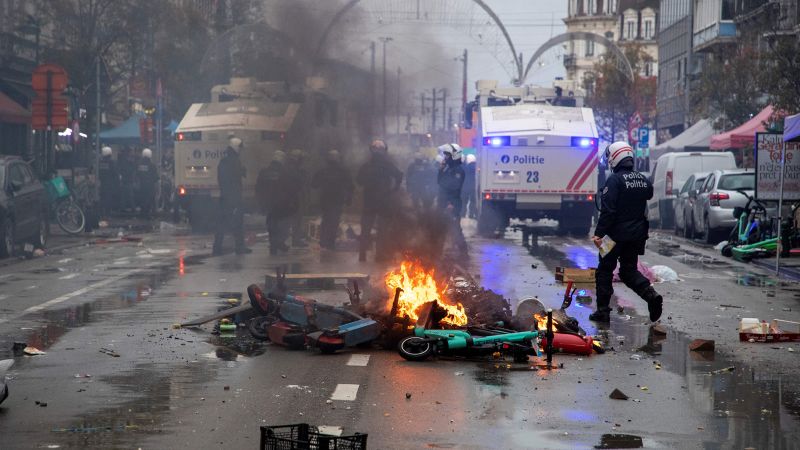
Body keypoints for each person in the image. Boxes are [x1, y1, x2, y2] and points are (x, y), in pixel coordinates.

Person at [590, 141, 663, 323]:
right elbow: (648, 194)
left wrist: (598, 234)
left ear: (614, 158)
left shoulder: (614, 181)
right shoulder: (643, 180)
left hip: (613, 236)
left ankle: (602, 311)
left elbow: (608, 211)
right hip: (636, 235)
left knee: (605, 271)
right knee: (628, 271)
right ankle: (651, 295)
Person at [356, 139, 403, 262]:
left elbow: (359, 181)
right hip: (383, 203)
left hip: (370, 202)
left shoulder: (367, 166)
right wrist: (394, 189)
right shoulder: (387, 165)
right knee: (382, 231)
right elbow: (399, 175)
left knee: (366, 229)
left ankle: (363, 255)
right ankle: (379, 256)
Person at [213, 137, 251, 255]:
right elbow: (235, 179)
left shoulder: (224, 161)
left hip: (224, 197)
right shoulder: (235, 161)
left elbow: (222, 179)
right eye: (240, 148)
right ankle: (239, 247)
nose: (241, 150)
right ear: (236, 147)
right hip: (233, 198)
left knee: (221, 223)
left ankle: (217, 248)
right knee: (238, 223)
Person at [312, 150, 354, 250]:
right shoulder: (343, 171)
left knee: (326, 220)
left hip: (325, 199)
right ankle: (330, 243)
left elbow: (314, 184)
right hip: (337, 200)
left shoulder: (323, 171)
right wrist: (349, 198)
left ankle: (323, 242)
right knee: (334, 221)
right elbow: (350, 186)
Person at [257, 150, 295, 255]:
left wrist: (261, 202)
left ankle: (274, 245)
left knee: (271, 225)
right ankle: (279, 242)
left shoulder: (264, 172)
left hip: (269, 204)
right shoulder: (285, 172)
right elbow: (289, 189)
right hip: (282, 204)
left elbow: (259, 188)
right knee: (283, 225)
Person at [437, 143, 467, 254]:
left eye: (447, 155)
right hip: (444, 202)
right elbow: (440, 183)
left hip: (452, 203)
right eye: (445, 155)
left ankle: (464, 254)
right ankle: (438, 252)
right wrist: (440, 170)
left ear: (454, 155)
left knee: (455, 230)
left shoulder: (458, 170)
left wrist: (450, 203)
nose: (445, 157)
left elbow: (454, 187)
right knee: (440, 228)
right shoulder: (448, 168)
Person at [287, 148, 308, 248]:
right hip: (294, 197)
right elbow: (299, 184)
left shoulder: (290, 169)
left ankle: (294, 239)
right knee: (296, 220)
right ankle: (296, 240)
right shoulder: (295, 171)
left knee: (295, 220)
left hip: (291, 197)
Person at [136, 148, 159, 218]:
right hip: (150, 186)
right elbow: (156, 177)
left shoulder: (139, 164)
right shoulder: (152, 165)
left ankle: (142, 213)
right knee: (150, 200)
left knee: (142, 199)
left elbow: (137, 174)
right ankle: (148, 214)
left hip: (142, 185)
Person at [98, 146, 119, 217]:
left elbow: (99, 173)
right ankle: (107, 213)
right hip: (110, 184)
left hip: (102, 183)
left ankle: (101, 212)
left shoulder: (100, 162)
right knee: (109, 199)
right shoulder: (112, 162)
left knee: (102, 198)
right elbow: (115, 173)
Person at [118, 147, 136, 212]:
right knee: (130, 195)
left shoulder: (124, 161)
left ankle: (123, 208)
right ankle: (132, 208)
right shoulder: (128, 162)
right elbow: (131, 171)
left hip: (125, 180)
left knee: (124, 195)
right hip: (127, 181)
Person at [461, 153, 477, 218]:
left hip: (465, 187)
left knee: (464, 202)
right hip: (474, 187)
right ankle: (471, 214)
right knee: (473, 201)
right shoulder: (477, 167)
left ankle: (463, 213)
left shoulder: (465, 168)